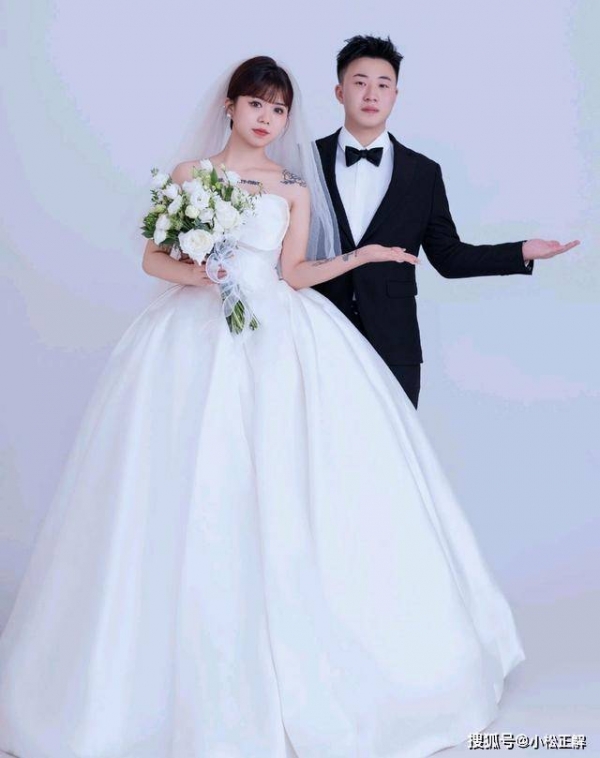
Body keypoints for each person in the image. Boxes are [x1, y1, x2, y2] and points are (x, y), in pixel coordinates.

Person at [0, 56, 526, 758]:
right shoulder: (191, 174)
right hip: (193, 332)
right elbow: (153, 260)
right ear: (230, 106)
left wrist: (360, 256)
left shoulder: (293, 187)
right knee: (187, 476)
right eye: (256, 104)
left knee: (284, 474)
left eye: (278, 110)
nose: (267, 119)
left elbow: (295, 274)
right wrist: (204, 273)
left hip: (277, 332)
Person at [314, 35, 581, 408]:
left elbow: (449, 258)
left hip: (394, 344)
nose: (371, 94)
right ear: (339, 92)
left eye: (383, 85)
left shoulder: (423, 174)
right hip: (316, 331)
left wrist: (520, 251)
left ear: (395, 95)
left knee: (394, 445)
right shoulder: (306, 161)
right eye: (360, 83)